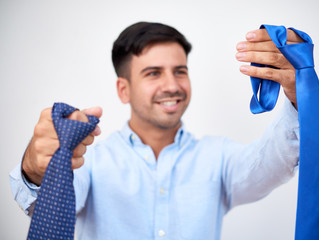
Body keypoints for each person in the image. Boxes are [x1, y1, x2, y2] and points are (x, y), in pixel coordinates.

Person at [10, 22, 302, 239]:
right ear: (124, 90)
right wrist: (36, 170)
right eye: (153, 73)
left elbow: (271, 163)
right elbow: (45, 207)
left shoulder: (219, 157)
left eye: (180, 71)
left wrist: (299, 96)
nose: (172, 85)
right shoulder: (90, 163)